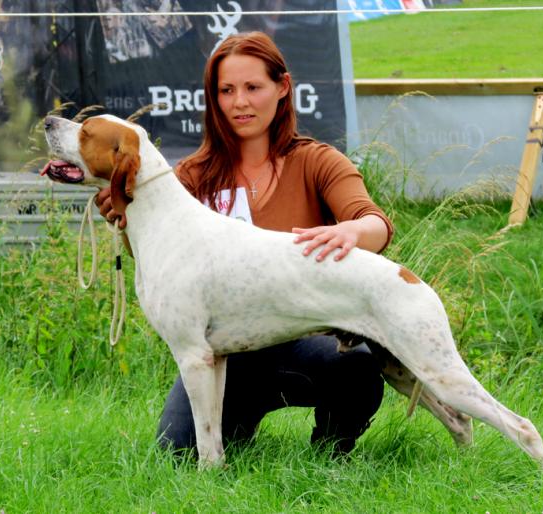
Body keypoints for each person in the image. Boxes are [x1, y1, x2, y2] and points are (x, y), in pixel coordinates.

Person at [96, 31, 394, 456]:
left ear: (282, 88)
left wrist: (353, 231)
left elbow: (376, 224)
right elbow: (158, 257)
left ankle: (331, 452)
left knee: (354, 363)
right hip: (224, 355)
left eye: (253, 87)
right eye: (226, 90)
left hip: (305, 340)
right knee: (175, 452)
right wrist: (125, 217)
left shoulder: (317, 161)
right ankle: (228, 433)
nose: (240, 102)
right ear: (213, 98)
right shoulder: (190, 176)